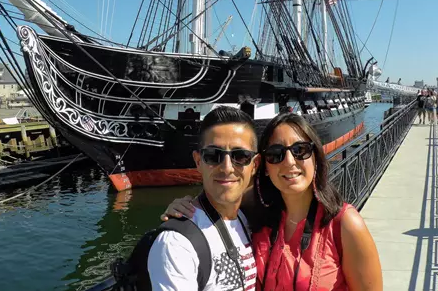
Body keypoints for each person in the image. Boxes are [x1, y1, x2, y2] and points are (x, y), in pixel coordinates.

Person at [163, 112, 383, 290]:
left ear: (315, 157)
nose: (289, 162)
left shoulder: (344, 224)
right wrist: (184, 209)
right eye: (276, 154)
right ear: (264, 166)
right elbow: (221, 195)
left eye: (300, 150)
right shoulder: (255, 212)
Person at [148, 106, 258, 290]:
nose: (227, 168)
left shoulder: (247, 218)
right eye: (213, 156)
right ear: (198, 162)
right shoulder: (176, 244)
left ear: (255, 165)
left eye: (240, 156)